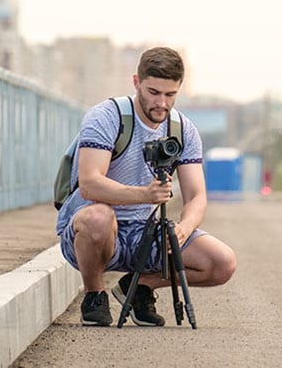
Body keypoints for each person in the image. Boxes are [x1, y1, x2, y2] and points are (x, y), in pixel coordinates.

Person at [56, 47, 237, 327]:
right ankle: (95, 295)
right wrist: (143, 194)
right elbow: (90, 184)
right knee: (98, 217)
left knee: (222, 263)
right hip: (99, 230)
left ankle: (140, 287)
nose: (161, 104)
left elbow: (197, 196)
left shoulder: (182, 130)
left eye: (170, 95)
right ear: (136, 82)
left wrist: (183, 229)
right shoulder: (107, 116)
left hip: (148, 231)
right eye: (153, 92)